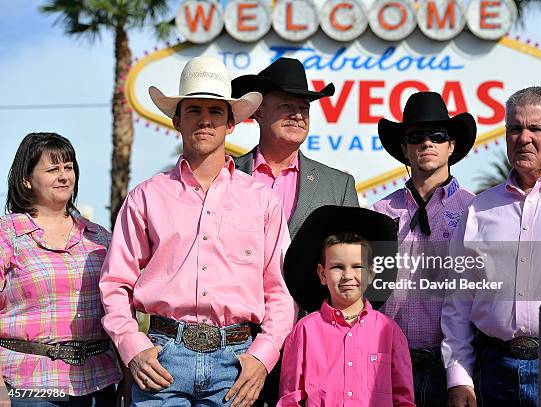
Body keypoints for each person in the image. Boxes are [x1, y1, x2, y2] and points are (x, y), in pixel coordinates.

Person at [99, 57, 296, 407]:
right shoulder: (145, 197)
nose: (205, 120)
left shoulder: (262, 200)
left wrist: (262, 357)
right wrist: (133, 347)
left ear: (231, 124)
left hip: (236, 363)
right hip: (161, 359)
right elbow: (115, 284)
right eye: (194, 110)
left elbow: (279, 291)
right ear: (177, 120)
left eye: (216, 112)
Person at [442, 86, 541, 407]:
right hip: (495, 372)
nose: (523, 137)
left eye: (536, 128)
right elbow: (458, 300)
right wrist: (459, 377)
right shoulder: (480, 208)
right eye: (515, 128)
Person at [0, 133, 127, 406]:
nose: (64, 176)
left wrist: (127, 376)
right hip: (27, 387)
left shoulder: (100, 238)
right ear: (26, 179)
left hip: (98, 382)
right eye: (52, 169)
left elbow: (119, 311)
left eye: (68, 167)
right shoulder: (6, 235)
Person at [373, 91, 476, 407]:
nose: (426, 143)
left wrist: (464, 378)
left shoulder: (474, 210)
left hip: (450, 369)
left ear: (451, 145)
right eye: (416, 136)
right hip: (387, 366)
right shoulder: (380, 212)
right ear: (404, 148)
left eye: (437, 135)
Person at [278, 205, 416, 406]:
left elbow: (403, 399)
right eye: (337, 267)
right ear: (322, 274)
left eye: (357, 267)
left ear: (370, 274)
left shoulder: (390, 332)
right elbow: (290, 399)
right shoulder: (304, 331)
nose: (348, 276)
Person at [231, 57, 359, 239]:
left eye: (304, 108)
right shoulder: (224, 174)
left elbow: (354, 256)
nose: (298, 115)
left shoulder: (339, 186)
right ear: (259, 112)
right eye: (286, 106)